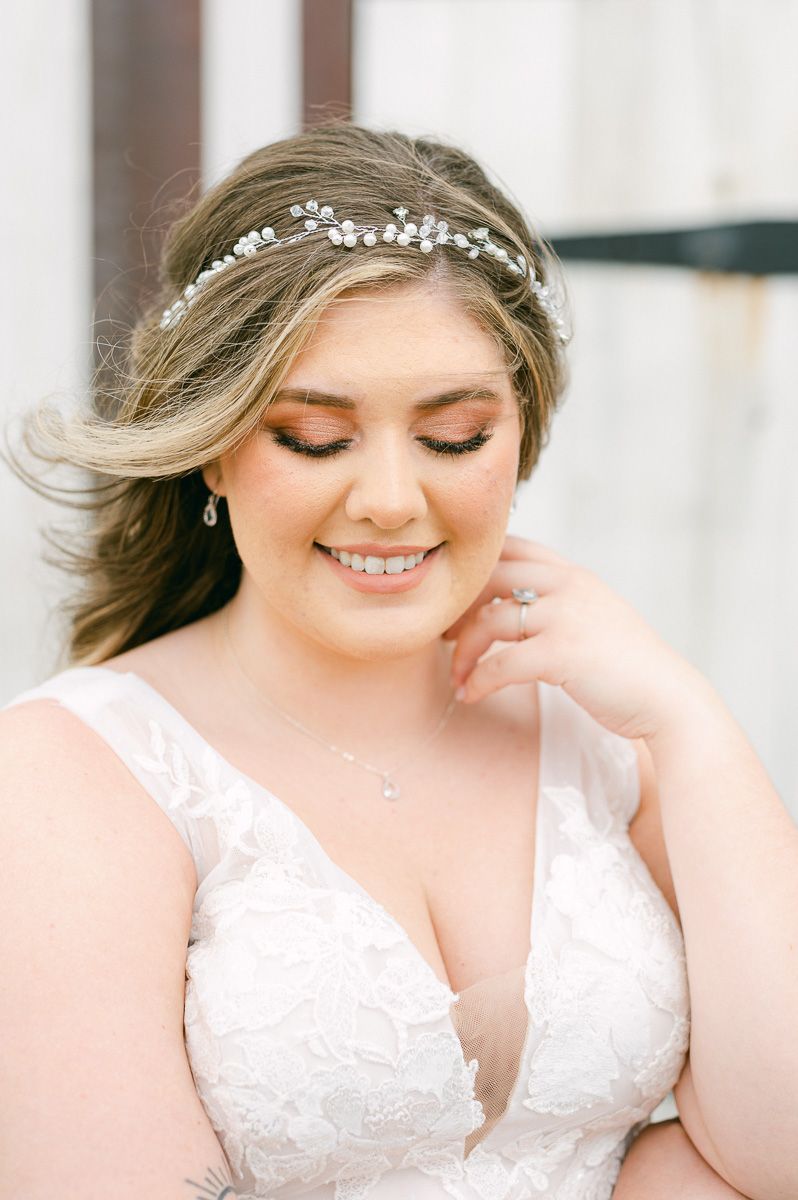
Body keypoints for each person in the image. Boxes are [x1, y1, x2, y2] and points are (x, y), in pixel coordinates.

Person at [1, 123, 794, 1200]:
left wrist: (692, 728)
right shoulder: (70, 774)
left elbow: (779, 1150)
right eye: (315, 438)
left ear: (523, 434)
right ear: (214, 445)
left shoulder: (607, 731)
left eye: (456, 436)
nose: (386, 498)